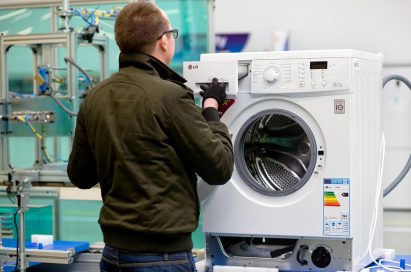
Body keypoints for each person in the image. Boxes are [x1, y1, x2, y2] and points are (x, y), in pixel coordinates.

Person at [67, 1, 234, 271]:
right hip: (163, 259)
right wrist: (211, 109)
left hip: (112, 257)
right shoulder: (171, 96)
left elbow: (80, 177)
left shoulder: (95, 97)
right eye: (172, 34)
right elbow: (220, 168)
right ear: (164, 42)